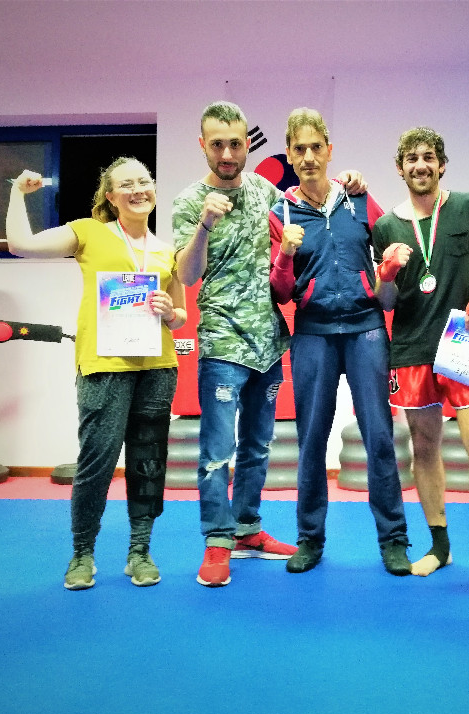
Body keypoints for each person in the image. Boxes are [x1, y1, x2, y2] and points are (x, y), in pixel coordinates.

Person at [172, 101, 367, 587]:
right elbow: (187, 275)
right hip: (221, 340)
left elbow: (313, 194)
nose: (227, 154)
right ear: (202, 145)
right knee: (218, 449)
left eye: (236, 144)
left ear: (247, 144)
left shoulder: (267, 193)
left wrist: (351, 182)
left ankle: (246, 528)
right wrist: (205, 225)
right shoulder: (189, 201)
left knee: (258, 445)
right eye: (217, 144)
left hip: (268, 339)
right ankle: (218, 540)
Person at [6, 157, 187, 591]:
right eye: (127, 184)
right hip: (103, 368)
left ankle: (140, 552)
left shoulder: (166, 250)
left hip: (157, 368)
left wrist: (170, 312)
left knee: (148, 463)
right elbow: (19, 244)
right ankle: (82, 553)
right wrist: (16, 193)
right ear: (111, 196)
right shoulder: (88, 231)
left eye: (144, 181)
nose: (138, 189)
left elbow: (180, 316)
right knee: (96, 462)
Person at [373, 127, 469, 608]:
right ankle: (440, 547)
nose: (420, 165)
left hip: (468, 342)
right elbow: (385, 300)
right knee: (424, 446)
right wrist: (386, 275)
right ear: (399, 169)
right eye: (411, 158)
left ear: (442, 164)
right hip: (412, 347)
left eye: (428, 157)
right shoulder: (385, 227)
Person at [268, 108, 411, 575]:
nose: (309, 157)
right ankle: (309, 538)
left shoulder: (359, 200)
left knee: (380, 436)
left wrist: (388, 268)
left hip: (366, 328)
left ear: (329, 151)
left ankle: (394, 538)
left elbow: (391, 250)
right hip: (312, 333)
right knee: (311, 440)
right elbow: (281, 293)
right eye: (300, 149)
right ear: (289, 155)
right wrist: (286, 253)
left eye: (316, 147)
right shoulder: (280, 213)